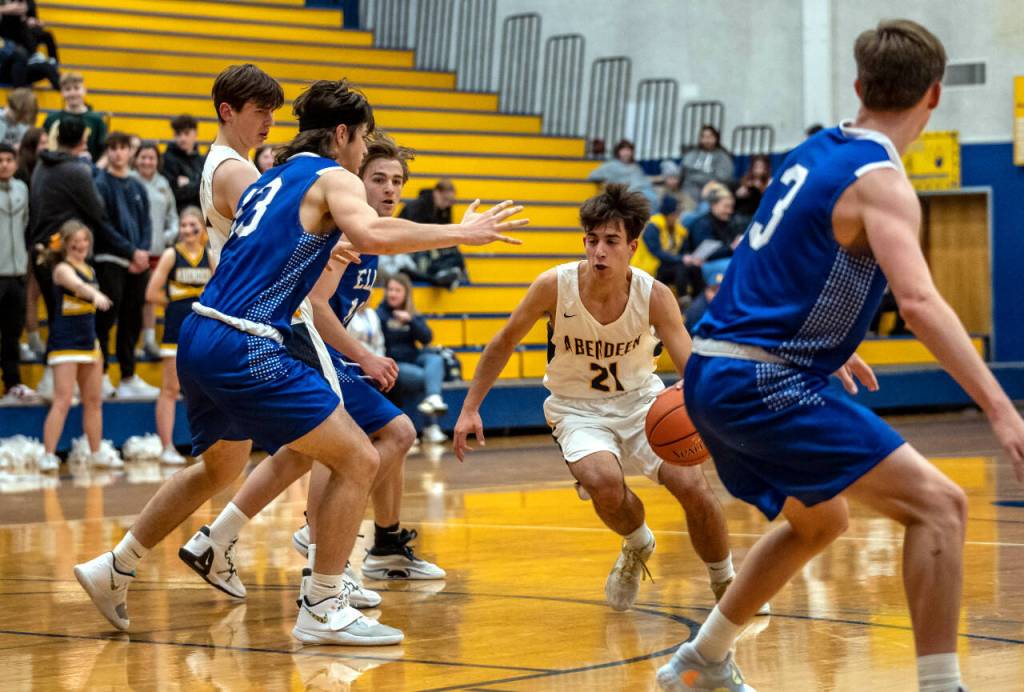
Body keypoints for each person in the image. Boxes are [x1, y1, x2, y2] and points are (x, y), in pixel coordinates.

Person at [73, 77, 523, 647]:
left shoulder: (273, 177)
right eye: (364, 140)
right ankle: (324, 601)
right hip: (250, 340)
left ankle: (116, 565)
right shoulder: (332, 176)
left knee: (222, 469)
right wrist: (463, 231)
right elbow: (371, 232)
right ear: (343, 134)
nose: (365, 152)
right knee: (358, 454)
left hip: (200, 332)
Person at [656, 20, 1024, 692]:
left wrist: (827, 343)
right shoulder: (882, 182)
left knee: (820, 520)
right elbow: (918, 303)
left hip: (713, 363)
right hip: (761, 377)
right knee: (941, 507)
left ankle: (703, 658)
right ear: (934, 95)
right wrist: (1002, 409)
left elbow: (769, 255)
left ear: (858, 87)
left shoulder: (811, 152)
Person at [453, 184, 753, 616]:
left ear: (632, 247)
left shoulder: (655, 295)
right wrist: (469, 408)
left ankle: (726, 582)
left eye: (611, 241)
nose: (599, 251)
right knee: (603, 483)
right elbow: (503, 342)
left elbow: (691, 366)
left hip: (643, 401)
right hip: (576, 407)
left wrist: (716, 418)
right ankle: (637, 543)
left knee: (692, 485)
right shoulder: (554, 286)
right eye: (592, 240)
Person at [39, 220, 117, 472]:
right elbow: (77, 285)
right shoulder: (62, 269)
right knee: (62, 400)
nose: (80, 245)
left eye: (84, 240)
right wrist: (95, 294)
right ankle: (48, 454)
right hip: (65, 344)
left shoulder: (90, 269)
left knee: (93, 402)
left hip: (89, 343)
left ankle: (96, 453)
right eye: (75, 241)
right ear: (65, 244)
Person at [144, 206, 210, 465]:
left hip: (202, 332)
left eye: (193, 225)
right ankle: (167, 447)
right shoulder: (171, 255)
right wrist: (177, 302)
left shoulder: (210, 256)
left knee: (205, 389)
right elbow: (151, 293)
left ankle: (207, 446)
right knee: (170, 389)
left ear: (202, 229)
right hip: (176, 330)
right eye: (183, 225)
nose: (187, 230)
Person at [93, 131, 156, 399]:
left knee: (132, 320)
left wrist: (141, 253)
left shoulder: (137, 185)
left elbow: (147, 223)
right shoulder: (100, 183)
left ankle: (128, 376)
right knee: (106, 319)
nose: (118, 153)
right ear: (108, 152)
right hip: (110, 261)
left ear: (130, 152)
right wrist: (131, 252)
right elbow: (102, 225)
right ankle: (101, 375)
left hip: (138, 263)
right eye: (113, 148)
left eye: (123, 148)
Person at [378, 273, 448, 443]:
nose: (392, 294)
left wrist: (411, 321)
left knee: (436, 360)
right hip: (394, 364)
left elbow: (427, 338)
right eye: (390, 290)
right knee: (426, 377)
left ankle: (433, 399)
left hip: (414, 359)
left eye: (397, 290)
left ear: (406, 293)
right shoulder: (380, 314)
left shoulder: (412, 314)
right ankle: (431, 426)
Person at [133, 141, 179, 358]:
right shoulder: (129, 180)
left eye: (151, 157)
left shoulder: (163, 183)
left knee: (150, 297)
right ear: (136, 159)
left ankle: (149, 341)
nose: (147, 161)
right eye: (143, 157)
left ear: (157, 161)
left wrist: (166, 236)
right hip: (134, 251)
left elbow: (173, 217)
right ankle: (132, 343)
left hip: (158, 251)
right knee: (134, 298)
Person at [0, 142, 36, 403]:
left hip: (17, 273)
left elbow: (26, 225)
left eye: (8, 160)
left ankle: (12, 384)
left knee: (12, 334)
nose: (4, 165)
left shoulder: (22, 188)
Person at [398, 179, 468, 290]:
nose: (447, 204)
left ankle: (443, 273)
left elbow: (447, 233)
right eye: (445, 199)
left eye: (450, 201)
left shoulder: (444, 209)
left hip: (428, 248)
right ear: (436, 193)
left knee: (456, 255)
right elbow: (410, 234)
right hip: (409, 248)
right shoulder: (417, 206)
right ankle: (440, 275)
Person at [632, 195, 693, 298]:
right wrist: (681, 259)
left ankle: (692, 297)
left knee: (693, 268)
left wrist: (689, 257)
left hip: (664, 264)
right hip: (650, 266)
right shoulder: (653, 227)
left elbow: (683, 246)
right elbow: (656, 252)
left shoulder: (676, 227)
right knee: (680, 268)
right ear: (668, 213)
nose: (677, 216)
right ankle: (684, 298)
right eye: (676, 213)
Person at [42, 73, 107, 162]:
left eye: (76, 88)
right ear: (62, 92)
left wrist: (95, 168)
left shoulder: (97, 120)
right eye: (67, 89)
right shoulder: (51, 119)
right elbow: (44, 147)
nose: (72, 93)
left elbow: (105, 151)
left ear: (84, 90)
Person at [588, 139, 657, 206]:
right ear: (618, 152)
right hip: (625, 195)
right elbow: (593, 176)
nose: (626, 153)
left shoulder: (635, 166)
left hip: (643, 191)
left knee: (653, 198)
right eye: (623, 150)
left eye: (628, 150)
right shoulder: (611, 165)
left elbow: (643, 181)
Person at [680, 125, 733, 207]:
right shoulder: (692, 154)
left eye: (710, 137)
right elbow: (683, 172)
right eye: (704, 137)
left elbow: (723, 178)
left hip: (713, 188)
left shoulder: (723, 156)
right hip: (691, 187)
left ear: (716, 138)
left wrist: (710, 185)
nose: (707, 140)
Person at [162, 114, 205, 212]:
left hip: (201, 215)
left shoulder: (202, 160)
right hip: (179, 214)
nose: (182, 138)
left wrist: (190, 183)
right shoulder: (167, 159)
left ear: (195, 134)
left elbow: (208, 192)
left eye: (186, 133)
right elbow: (173, 194)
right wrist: (198, 184)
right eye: (178, 134)